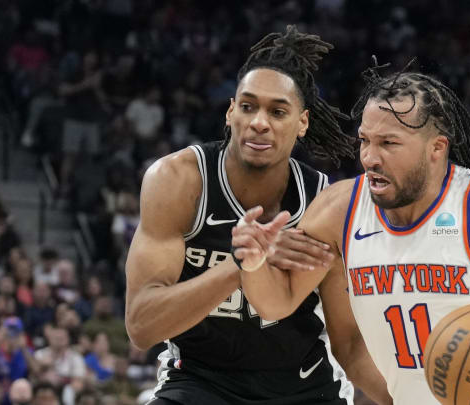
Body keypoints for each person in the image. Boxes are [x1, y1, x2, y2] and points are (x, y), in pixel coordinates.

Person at [234, 61, 470, 404]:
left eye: (389, 143)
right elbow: (277, 302)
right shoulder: (338, 211)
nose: (369, 157)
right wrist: (253, 264)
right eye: (365, 140)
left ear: (437, 148)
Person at [124, 26, 390, 405]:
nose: (259, 122)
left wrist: (403, 398)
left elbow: (348, 343)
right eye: (248, 106)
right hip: (199, 383)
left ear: (302, 123)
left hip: (305, 388)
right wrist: (243, 265)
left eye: (278, 111)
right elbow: (140, 326)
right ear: (231, 111)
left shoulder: (323, 203)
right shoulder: (180, 181)